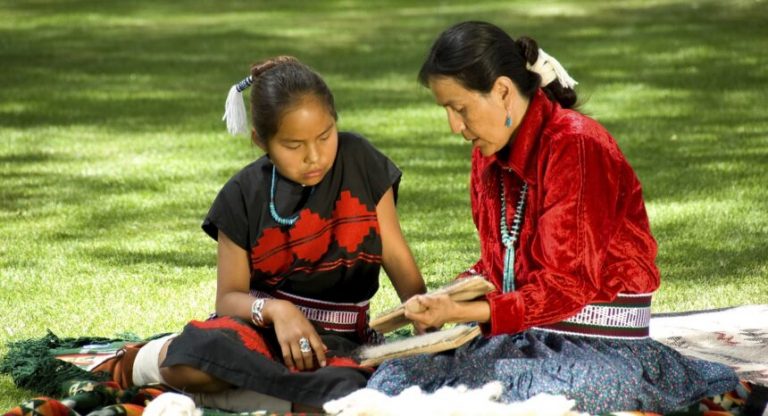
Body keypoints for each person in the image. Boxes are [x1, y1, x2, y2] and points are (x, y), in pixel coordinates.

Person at [366, 21, 739, 414]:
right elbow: (500, 264)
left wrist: (463, 312)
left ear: (503, 91)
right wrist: (448, 298)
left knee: (533, 397)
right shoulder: (487, 155)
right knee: (398, 376)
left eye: (460, 109)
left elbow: (568, 283)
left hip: (600, 345)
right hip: (523, 334)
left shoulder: (576, 146)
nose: (455, 127)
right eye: (448, 111)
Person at [108, 56, 428, 412]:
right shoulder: (242, 195)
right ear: (261, 141)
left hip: (338, 342)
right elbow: (228, 298)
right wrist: (278, 310)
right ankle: (144, 361)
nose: (314, 156)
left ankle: (223, 398)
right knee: (198, 360)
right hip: (259, 331)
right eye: (294, 146)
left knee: (345, 395)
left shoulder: (361, 162)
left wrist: (426, 320)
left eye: (325, 136)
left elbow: (396, 255)